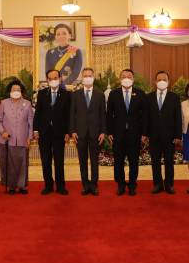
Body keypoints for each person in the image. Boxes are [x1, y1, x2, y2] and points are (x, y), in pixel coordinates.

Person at [106, 68, 148, 196]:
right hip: (118, 134)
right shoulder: (114, 94)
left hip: (135, 134)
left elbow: (145, 116)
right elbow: (109, 115)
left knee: (133, 161)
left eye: (129, 76)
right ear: (120, 79)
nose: (126, 79)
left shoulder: (140, 94)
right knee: (118, 161)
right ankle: (120, 185)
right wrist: (109, 132)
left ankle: (132, 185)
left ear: (133, 79)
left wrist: (144, 133)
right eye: (123, 76)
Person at [33, 69, 71, 195]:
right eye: (50, 78)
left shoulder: (66, 94)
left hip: (60, 133)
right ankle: (48, 185)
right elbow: (37, 113)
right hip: (44, 132)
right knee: (46, 161)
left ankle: (60, 186)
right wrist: (36, 130)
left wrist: (68, 132)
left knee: (59, 161)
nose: (53, 80)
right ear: (47, 80)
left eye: (55, 78)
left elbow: (68, 115)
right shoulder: (42, 93)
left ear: (60, 79)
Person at [70, 67, 106, 195]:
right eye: (85, 76)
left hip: (96, 133)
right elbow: (72, 114)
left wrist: (103, 132)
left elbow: (103, 115)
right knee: (82, 161)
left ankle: (94, 185)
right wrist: (73, 130)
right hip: (80, 133)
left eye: (89, 75)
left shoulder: (100, 95)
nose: (87, 78)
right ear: (82, 78)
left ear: (93, 77)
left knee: (94, 161)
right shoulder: (75, 95)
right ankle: (85, 185)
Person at [146, 70, 182, 194]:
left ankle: (169, 184)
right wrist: (145, 134)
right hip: (153, 136)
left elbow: (178, 118)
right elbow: (146, 117)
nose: (162, 82)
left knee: (169, 162)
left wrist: (178, 135)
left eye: (164, 80)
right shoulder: (149, 97)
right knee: (155, 162)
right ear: (155, 81)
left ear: (168, 82)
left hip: (170, 136)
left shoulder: (174, 97)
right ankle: (157, 184)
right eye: (159, 80)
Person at [0, 80, 34, 195]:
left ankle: (22, 186)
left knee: (22, 163)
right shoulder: (4, 103)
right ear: (10, 91)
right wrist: (2, 131)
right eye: (14, 90)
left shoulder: (27, 103)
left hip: (23, 138)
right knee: (9, 164)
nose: (16, 91)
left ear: (21, 91)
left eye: (18, 90)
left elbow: (30, 122)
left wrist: (29, 138)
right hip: (7, 139)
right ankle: (11, 186)